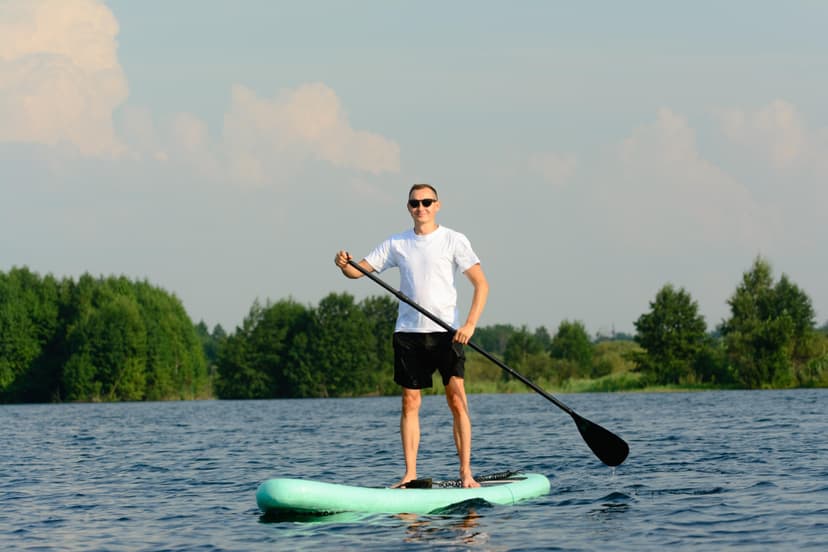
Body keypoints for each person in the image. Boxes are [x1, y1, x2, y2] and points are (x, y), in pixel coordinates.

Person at [334, 183, 489, 489]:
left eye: (427, 202)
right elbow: (359, 271)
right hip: (408, 333)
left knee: (457, 400)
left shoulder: (453, 240)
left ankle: (466, 473)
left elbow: (481, 285)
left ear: (437, 205)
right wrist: (344, 265)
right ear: (408, 208)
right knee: (410, 403)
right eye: (415, 203)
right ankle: (409, 474)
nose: (421, 208)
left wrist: (469, 324)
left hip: (448, 333)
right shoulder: (397, 243)